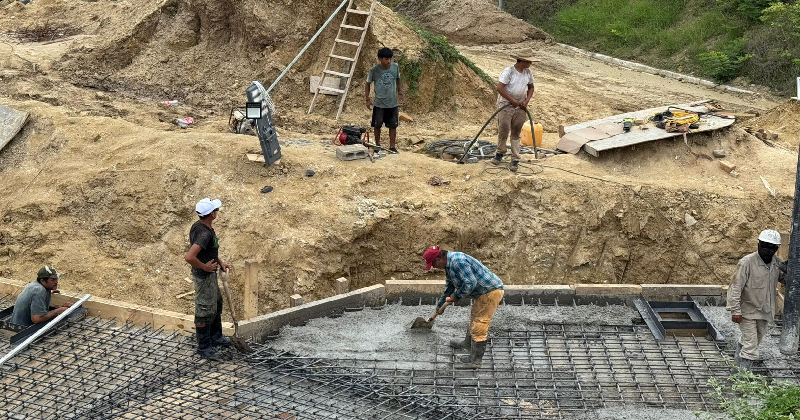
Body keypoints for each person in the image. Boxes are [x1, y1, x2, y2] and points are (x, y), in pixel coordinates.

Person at [423, 246, 504, 369]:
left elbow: (470, 283)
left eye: (433, 264)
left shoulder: (458, 261)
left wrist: (457, 296)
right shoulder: (449, 265)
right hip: (483, 293)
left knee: (479, 324)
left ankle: (476, 361)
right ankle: (467, 344)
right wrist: (440, 305)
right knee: (474, 318)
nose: (434, 267)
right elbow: (450, 286)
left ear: (439, 259)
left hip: (491, 292)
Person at [727, 229, 787, 369]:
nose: (767, 249)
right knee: (751, 346)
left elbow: (785, 279)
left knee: (752, 341)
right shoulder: (746, 262)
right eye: (764, 245)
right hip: (747, 311)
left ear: (776, 249)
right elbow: (735, 287)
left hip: (765, 311)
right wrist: (735, 311)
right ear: (758, 244)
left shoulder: (777, 264)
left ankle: (736, 371)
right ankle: (743, 378)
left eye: (771, 247)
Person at [184, 198, 232, 360]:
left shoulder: (202, 226)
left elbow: (210, 251)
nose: (217, 212)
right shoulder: (204, 233)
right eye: (215, 210)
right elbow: (189, 257)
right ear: (211, 214)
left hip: (209, 275)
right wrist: (204, 267)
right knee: (204, 310)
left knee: (216, 303)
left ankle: (216, 337)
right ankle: (203, 347)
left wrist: (220, 262)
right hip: (204, 277)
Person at [492, 53, 536, 172]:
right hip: (506, 105)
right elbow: (500, 88)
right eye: (529, 61)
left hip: (520, 106)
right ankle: (500, 153)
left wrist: (526, 101)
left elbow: (531, 87)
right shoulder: (509, 71)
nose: (530, 63)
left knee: (516, 132)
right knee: (504, 130)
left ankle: (515, 158)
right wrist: (512, 100)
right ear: (522, 61)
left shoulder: (528, 72)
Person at [365, 47, 402, 155]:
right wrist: (367, 99)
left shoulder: (395, 67)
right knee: (377, 125)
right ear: (380, 59)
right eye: (386, 59)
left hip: (392, 103)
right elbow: (367, 84)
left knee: (393, 125)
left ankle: (392, 147)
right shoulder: (374, 70)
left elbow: (398, 79)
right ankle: (377, 145)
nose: (389, 61)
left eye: (390, 58)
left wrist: (400, 92)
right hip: (379, 104)